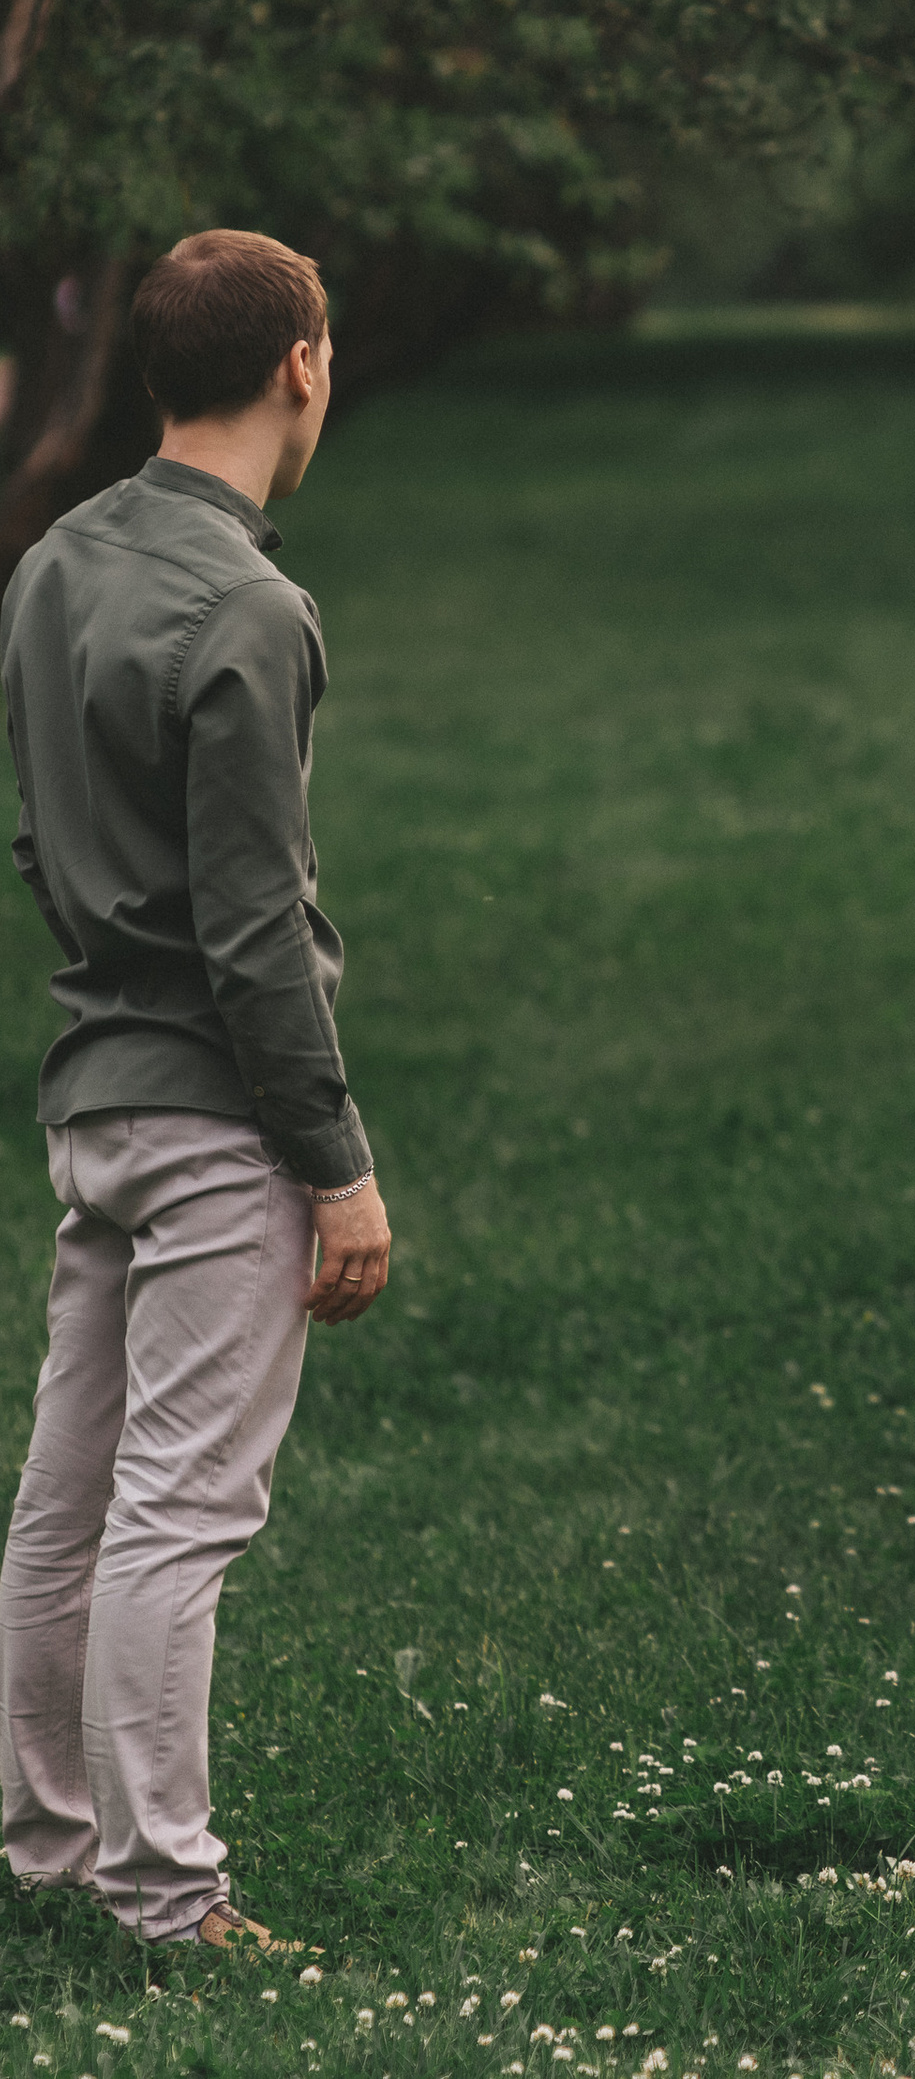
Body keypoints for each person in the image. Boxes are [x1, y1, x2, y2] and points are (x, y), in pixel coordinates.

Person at [0, 230, 392, 1949]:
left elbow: (37, 838)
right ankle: (164, 1896)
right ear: (300, 365)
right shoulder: (247, 608)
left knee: (66, 1495)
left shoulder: (51, 568)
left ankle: (47, 1845)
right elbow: (255, 931)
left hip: (90, 1101)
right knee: (177, 1512)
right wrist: (336, 1162)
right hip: (214, 1116)